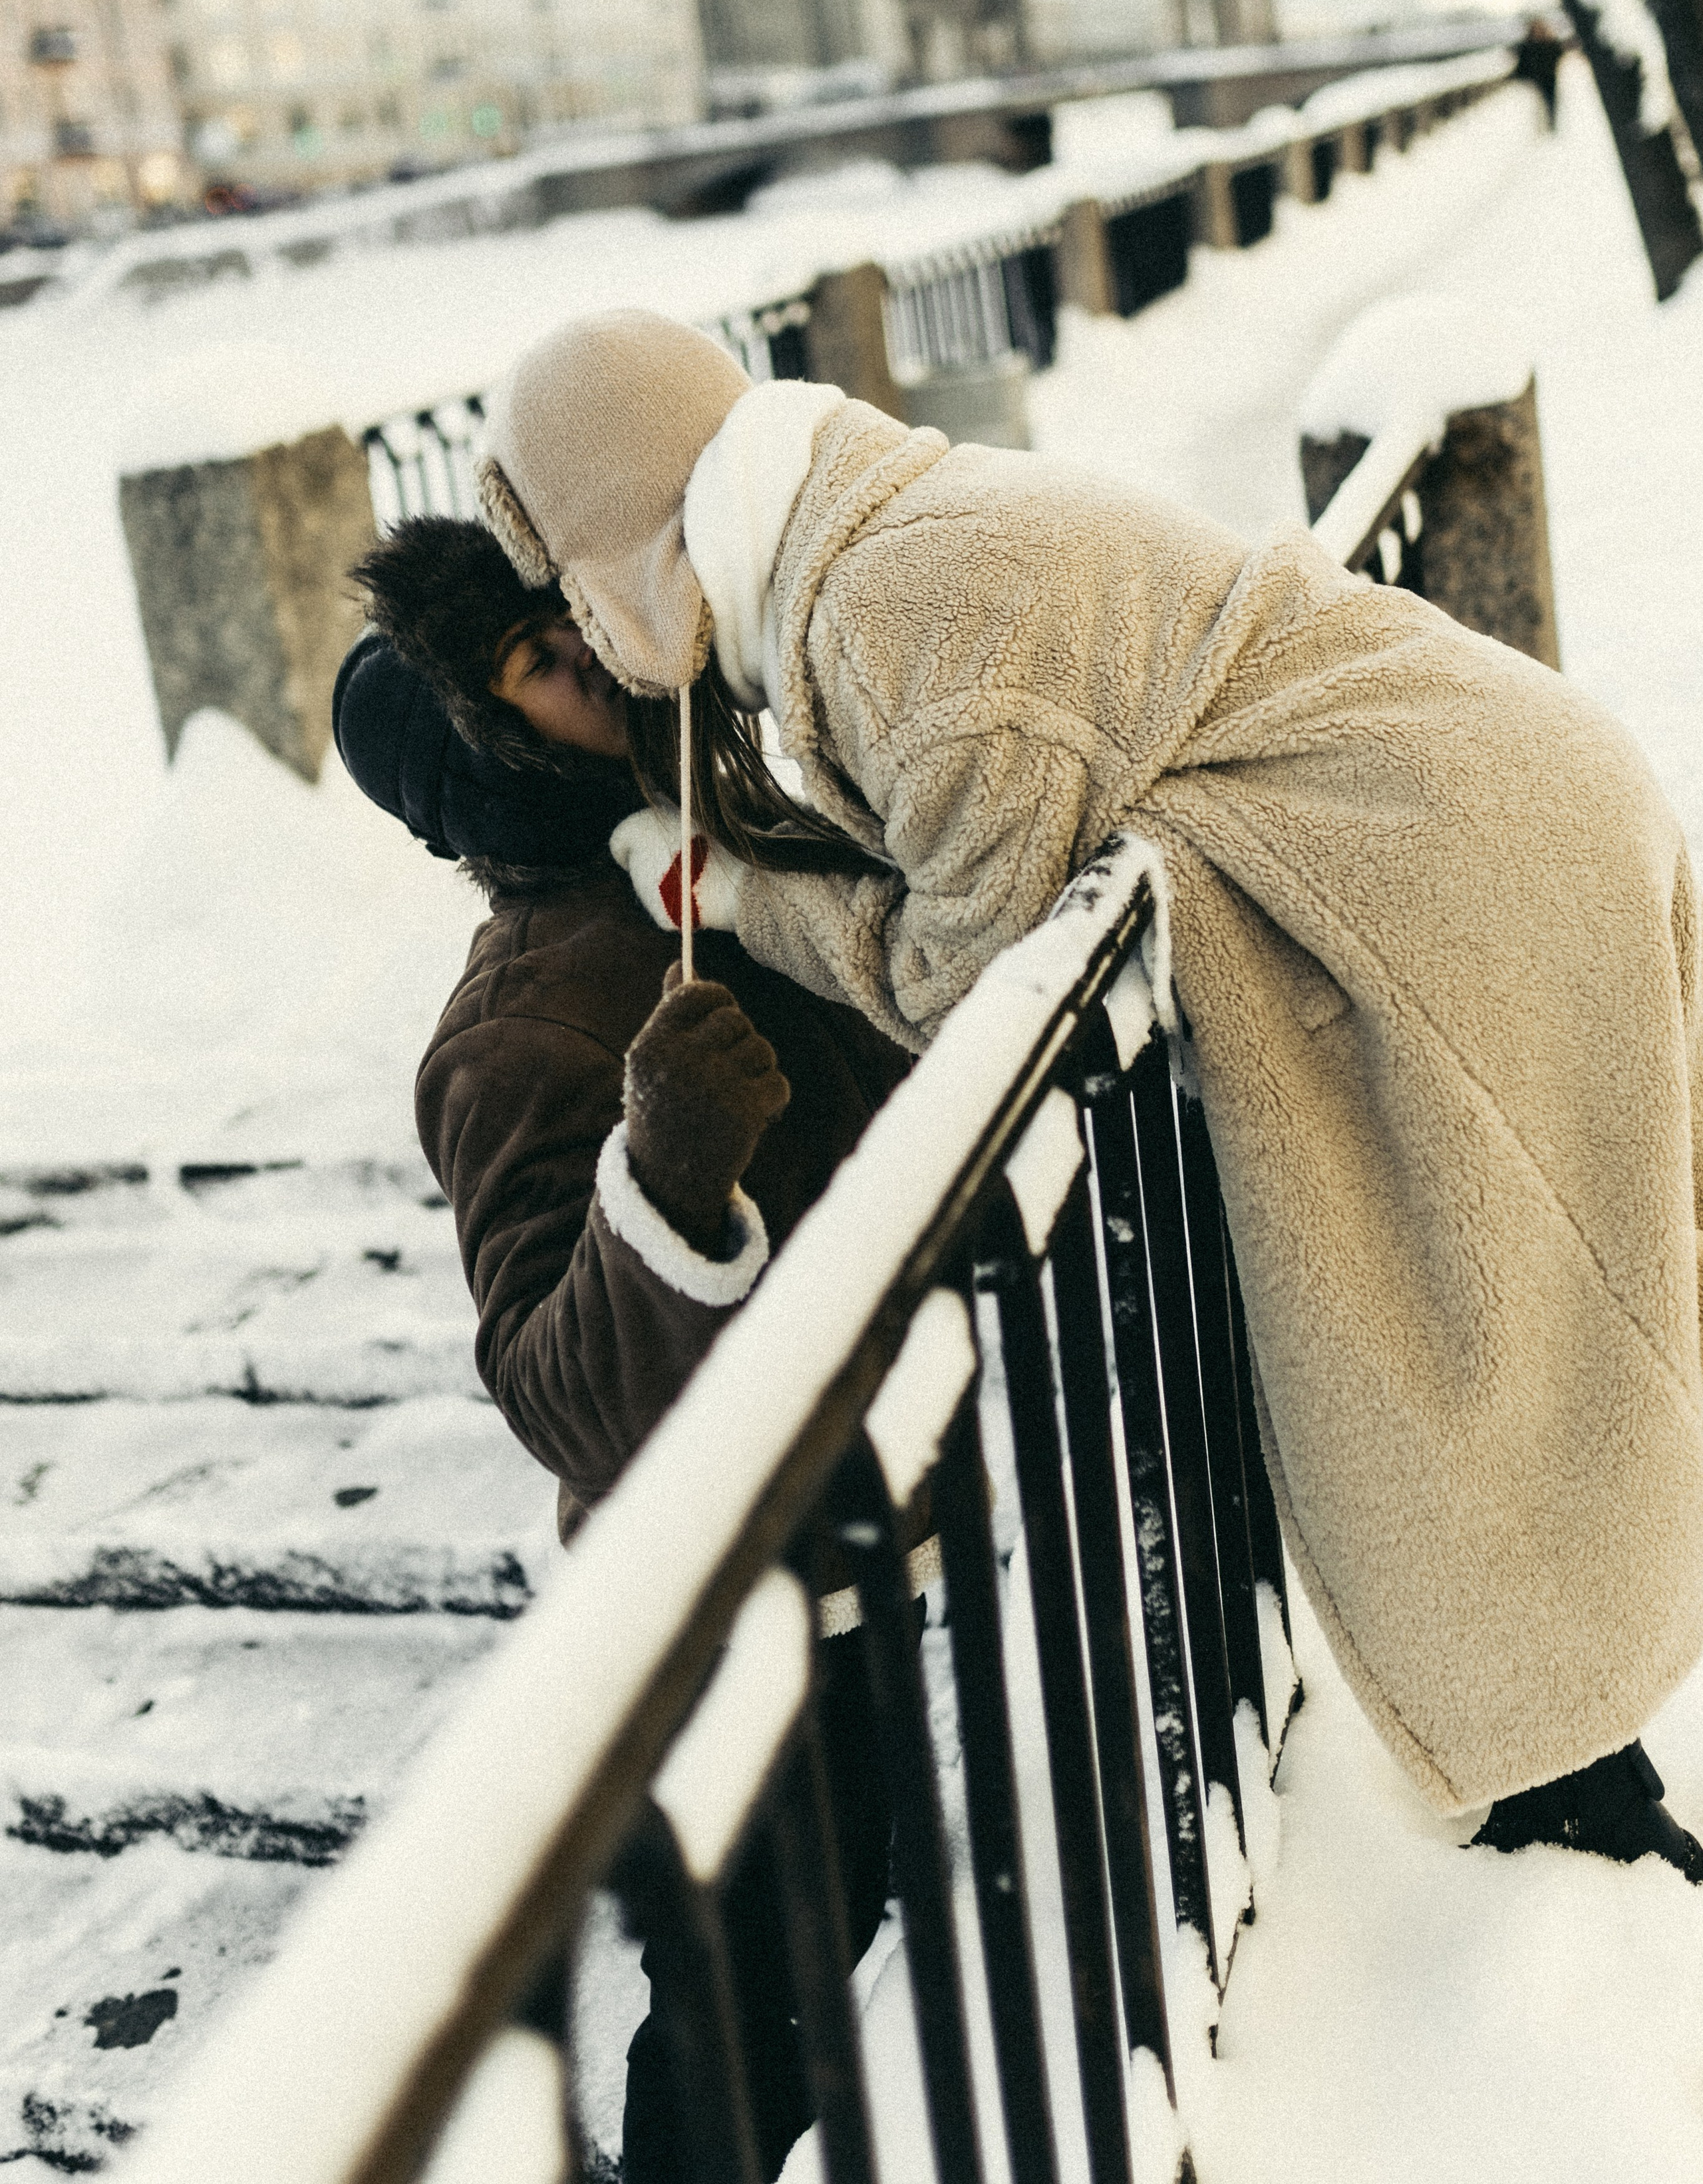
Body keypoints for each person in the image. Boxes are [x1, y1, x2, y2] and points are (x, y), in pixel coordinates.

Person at [467, 306, 1703, 1873]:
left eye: (575, 579)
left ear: (630, 528)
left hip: (1456, 861)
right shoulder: (853, 534)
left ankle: (1574, 1798)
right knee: (1515, 1330)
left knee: (1503, 1344)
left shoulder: (880, 616)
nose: (583, 624)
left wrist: (724, 896)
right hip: (1473, 811)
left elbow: (960, 969)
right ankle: (1571, 1783)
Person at [333, 516, 933, 2182]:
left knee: (865, 1918)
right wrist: (663, 1178)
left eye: (562, 628)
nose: (585, 664)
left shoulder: (714, 853)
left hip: (861, 1515)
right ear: (484, 758)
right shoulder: (519, 1025)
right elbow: (554, 1389)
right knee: (752, 2001)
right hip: (721, 1593)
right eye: (534, 667)